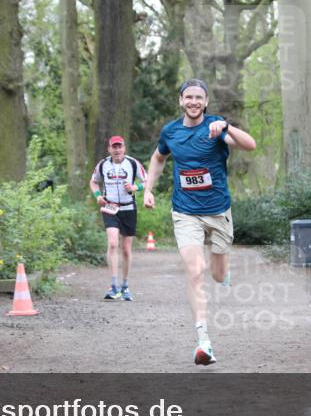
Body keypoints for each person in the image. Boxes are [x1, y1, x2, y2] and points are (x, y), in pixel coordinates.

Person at [143, 79, 257, 365]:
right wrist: (148, 188)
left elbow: (250, 145)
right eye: (188, 97)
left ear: (205, 102)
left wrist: (228, 127)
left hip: (219, 211)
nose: (193, 102)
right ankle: (203, 342)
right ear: (181, 100)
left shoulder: (216, 127)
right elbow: (158, 159)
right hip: (185, 212)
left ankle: (223, 273)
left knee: (218, 275)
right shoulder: (171, 132)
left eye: (199, 98)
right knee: (195, 271)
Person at [90, 135, 147, 301]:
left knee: (126, 249)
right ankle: (114, 286)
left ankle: (125, 285)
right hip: (110, 207)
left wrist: (135, 187)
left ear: (124, 148)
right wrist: (98, 195)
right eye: (114, 147)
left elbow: (147, 179)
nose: (117, 150)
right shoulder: (103, 164)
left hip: (129, 208)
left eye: (119, 147)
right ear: (109, 149)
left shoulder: (133, 163)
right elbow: (93, 182)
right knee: (113, 243)